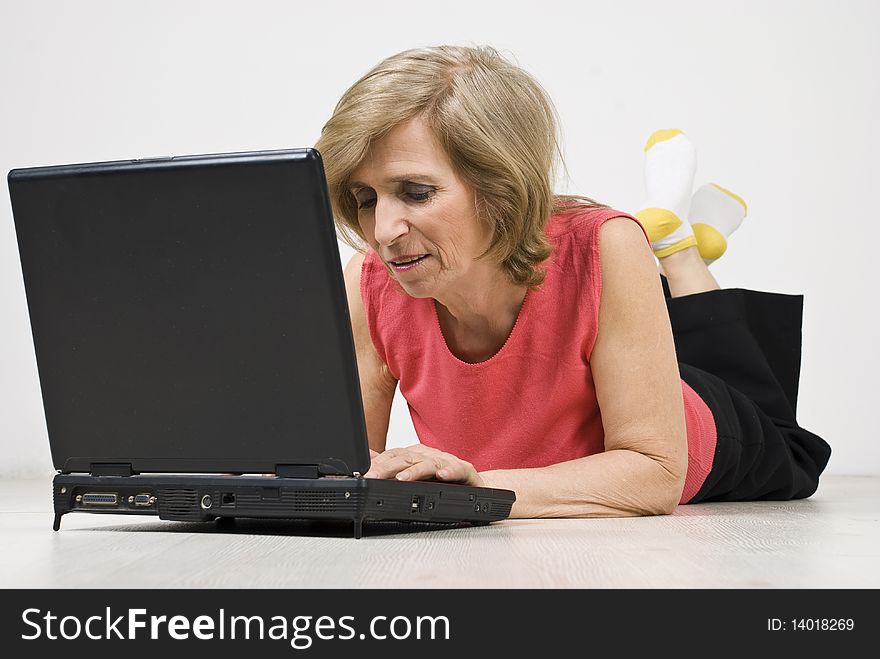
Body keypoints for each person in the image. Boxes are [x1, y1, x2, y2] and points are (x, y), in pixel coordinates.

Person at [314, 45, 831, 518]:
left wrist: (475, 493)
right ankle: (679, 240)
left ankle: (681, 253)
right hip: (609, 374)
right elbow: (341, 464)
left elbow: (655, 474)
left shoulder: (607, 244)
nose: (382, 231)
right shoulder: (370, 281)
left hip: (705, 427)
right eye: (365, 199)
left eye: (417, 192)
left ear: (501, 185)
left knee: (773, 419)